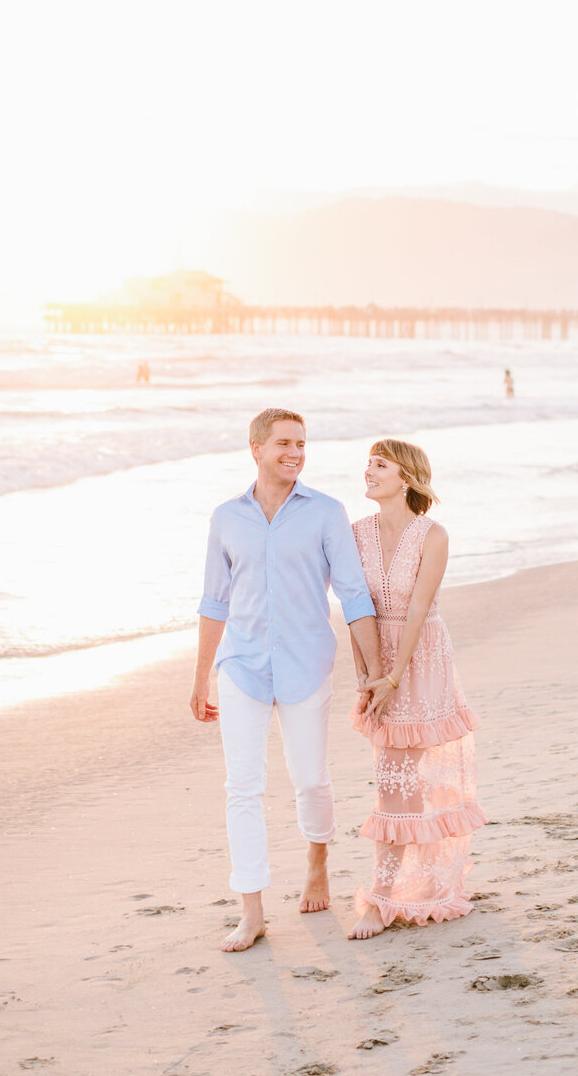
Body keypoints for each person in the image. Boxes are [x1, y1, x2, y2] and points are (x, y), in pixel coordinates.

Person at [191, 408, 383, 953]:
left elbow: (353, 594)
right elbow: (213, 601)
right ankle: (251, 911)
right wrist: (201, 676)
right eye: (283, 444)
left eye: (301, 443)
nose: (295, 453)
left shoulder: (325, 513)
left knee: (310, 779)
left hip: (305, 663)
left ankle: (317, 862)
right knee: (242, 788)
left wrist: (370, 672)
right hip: (242, 666)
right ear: (256, 449)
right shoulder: (227, 517)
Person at [347, 439, 485, 939]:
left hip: (420, 660)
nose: (367, 471)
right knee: (400, 778)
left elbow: (420, 609)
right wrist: (366, 675)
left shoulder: (433, 534)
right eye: (368, 463)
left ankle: (382, 898)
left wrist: (395, 675)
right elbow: (353, 605)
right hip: (376, 660)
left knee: (397, 779)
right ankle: (413, 882)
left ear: (405, 476)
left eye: (378, 465)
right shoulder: (355, 533)